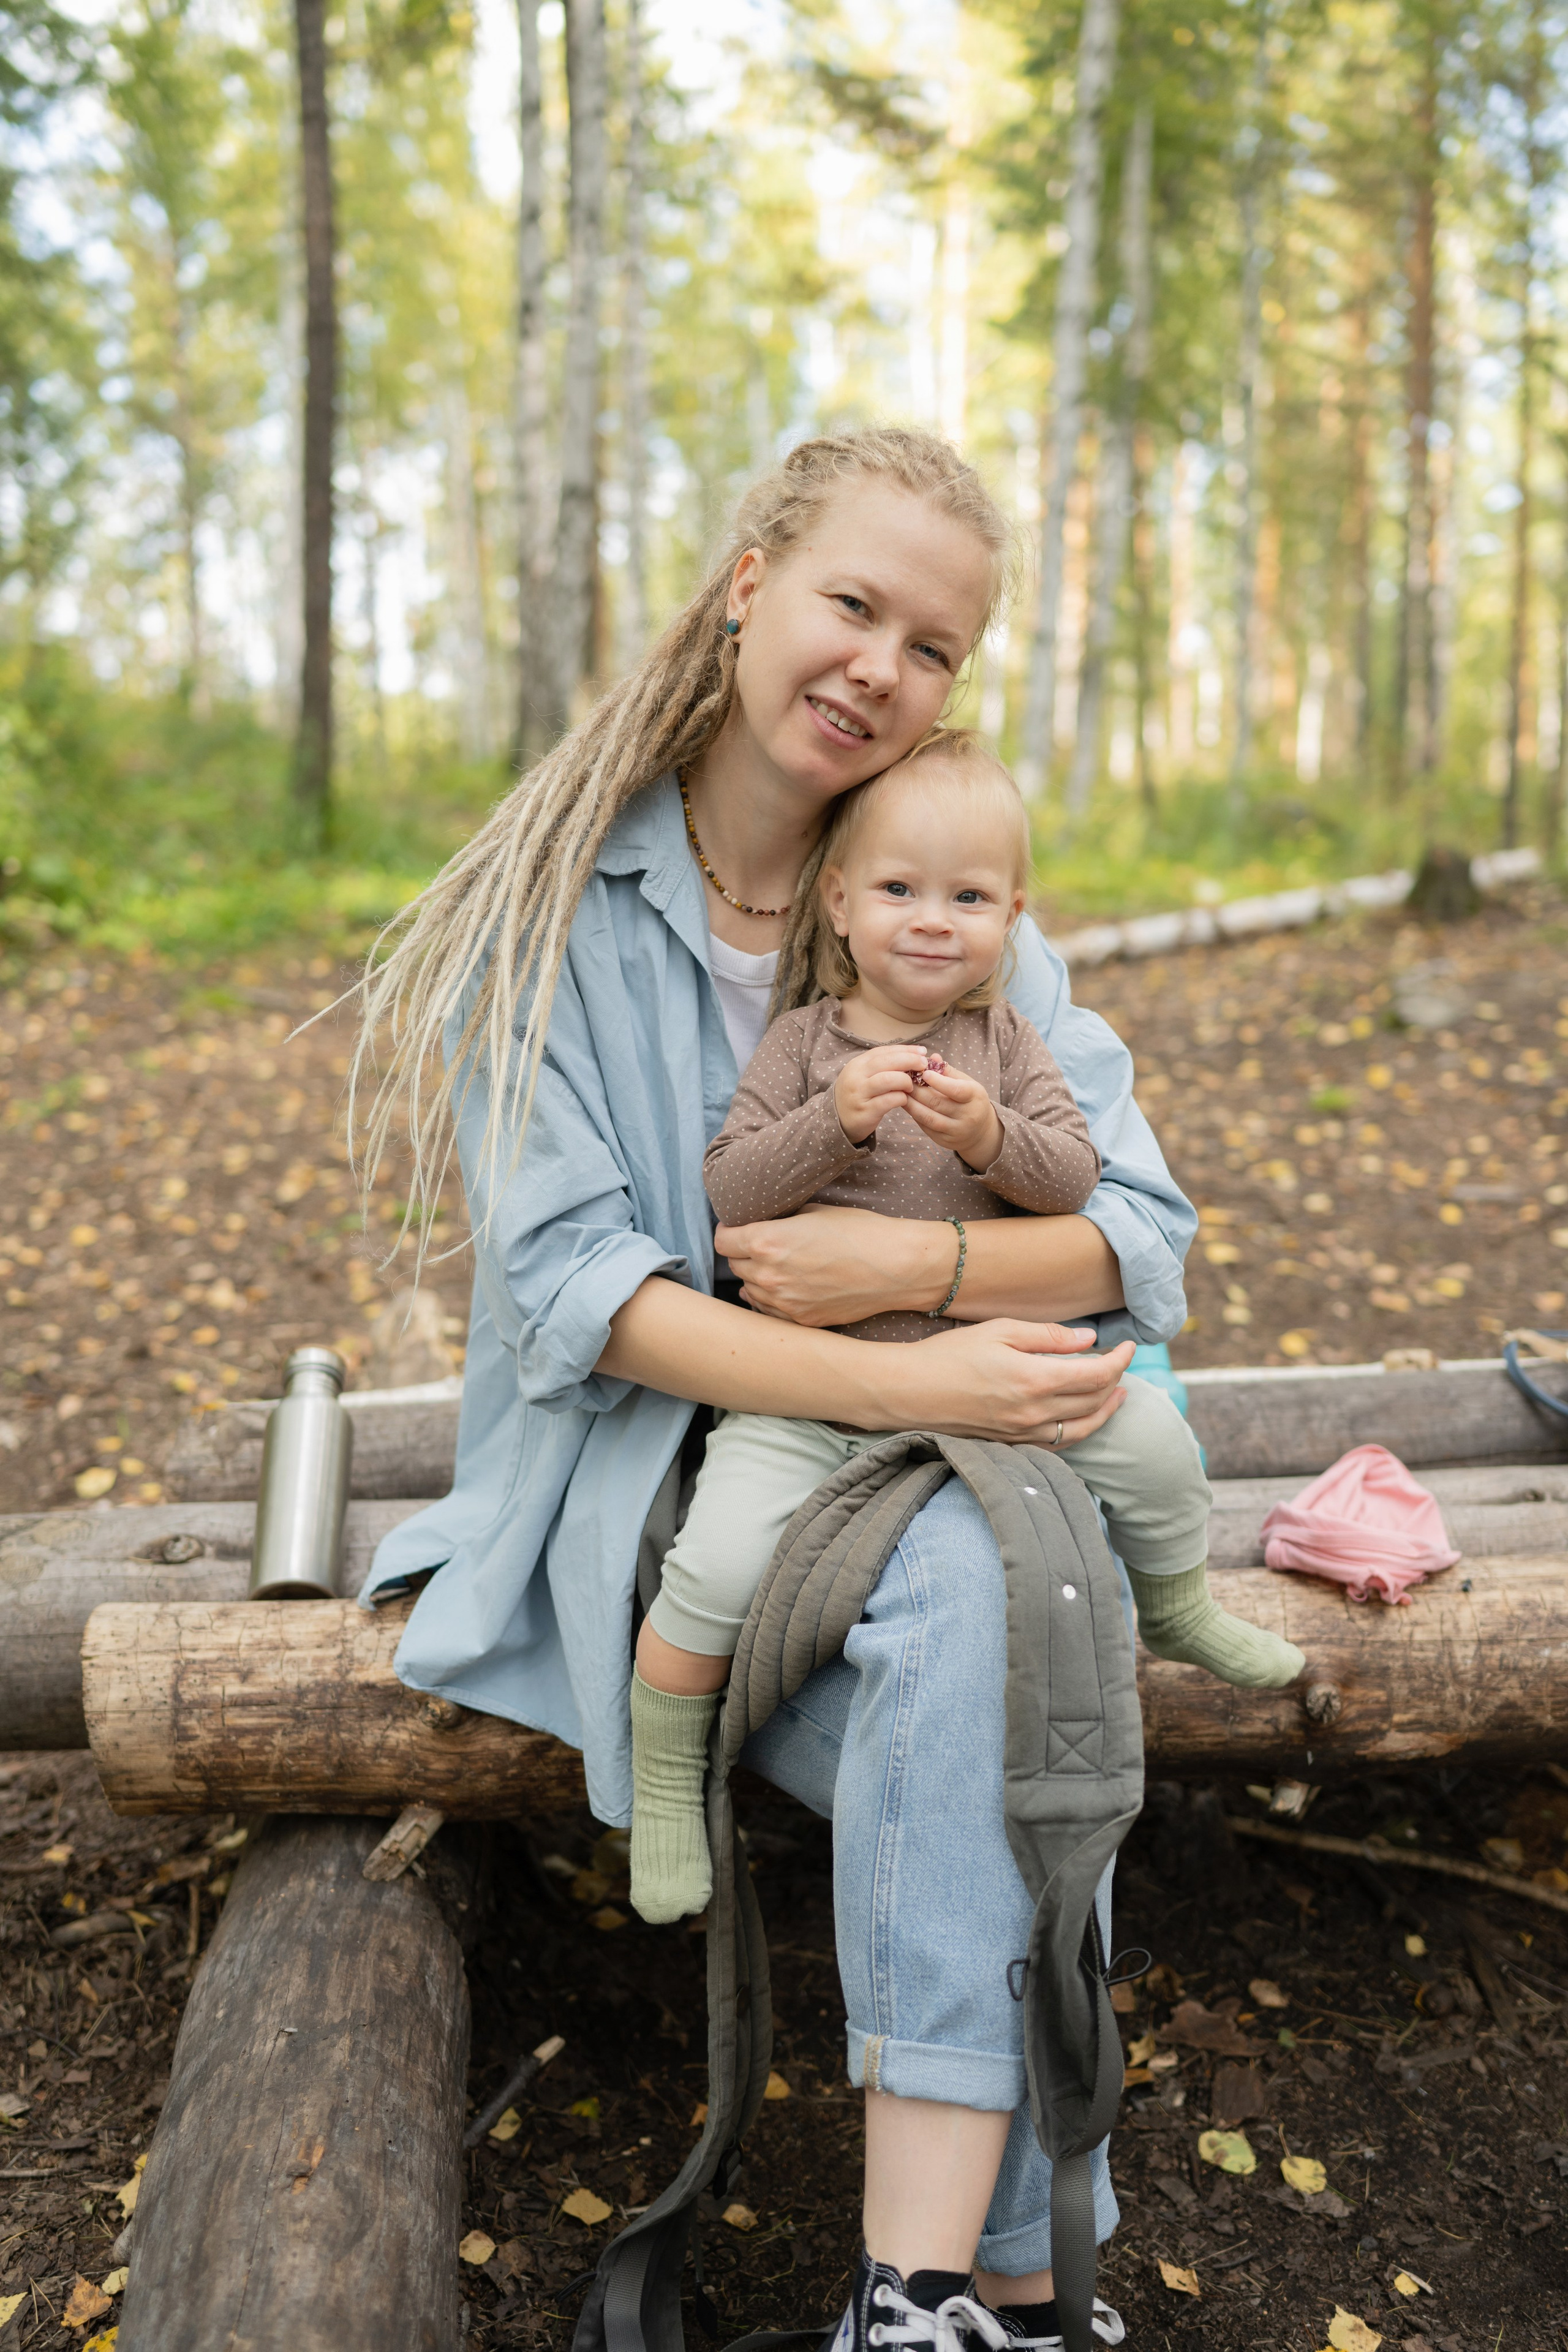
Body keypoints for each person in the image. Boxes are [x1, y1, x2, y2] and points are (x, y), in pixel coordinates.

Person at [352, 428, 1195, 2352]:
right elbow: (591, 1300)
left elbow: (1140, 1230)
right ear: (748, 584)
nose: (883, 668)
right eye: (852, 604)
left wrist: (926, 1271)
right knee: (999, 1623)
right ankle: (1008, 2279)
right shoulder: (552, 903)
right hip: (662, 1481)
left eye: (936, 645)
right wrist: (891, 1369)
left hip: (917, 1441)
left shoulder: (939, 893)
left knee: (995, 1606)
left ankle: (928, 2301)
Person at [628, 733, 1302, 1926]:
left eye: (968, 897)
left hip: (990, 1387)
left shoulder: (1005, 1045)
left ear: (1012, 918)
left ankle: (1179, 1604)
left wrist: (986, 1136)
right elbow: (732, 1189)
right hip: (808, 1396)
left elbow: (1069, 1177)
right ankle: (667, 1778)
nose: (931, 921)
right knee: (716, 1564)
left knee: (1151, 1447)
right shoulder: (798, 1046)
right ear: (836, 902)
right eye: (897, 890)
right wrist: (830, 1124)